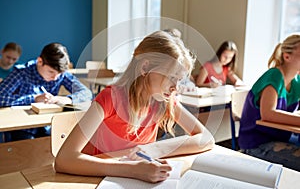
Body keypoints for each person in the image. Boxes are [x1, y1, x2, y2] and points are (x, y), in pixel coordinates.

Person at [55, 31, 215, 183]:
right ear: (145, 68)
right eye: (172, 77)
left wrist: (155, 149)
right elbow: (64, 159)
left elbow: (206, 138)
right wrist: (132, 170)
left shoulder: (163, 100)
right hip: (95, 180)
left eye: (179, 79)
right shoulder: (110, 98)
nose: (176, 87)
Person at [0, 42, 92, 141]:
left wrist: (66, 99)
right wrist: (34, 98)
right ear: (40, 61)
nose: (55, 78)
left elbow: (86, 93)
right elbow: (1, 97)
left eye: (59, 74)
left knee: (65, 140)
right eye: (51, 72)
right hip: (23, 127)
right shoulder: (22, 72)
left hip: (48, 124)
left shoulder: (60, 74)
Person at [238, 34, 300, 171]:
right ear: (287, 56)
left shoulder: (297, 82)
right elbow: (268, 114)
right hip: (257, 143)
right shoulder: (274, 76)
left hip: (282, 138)